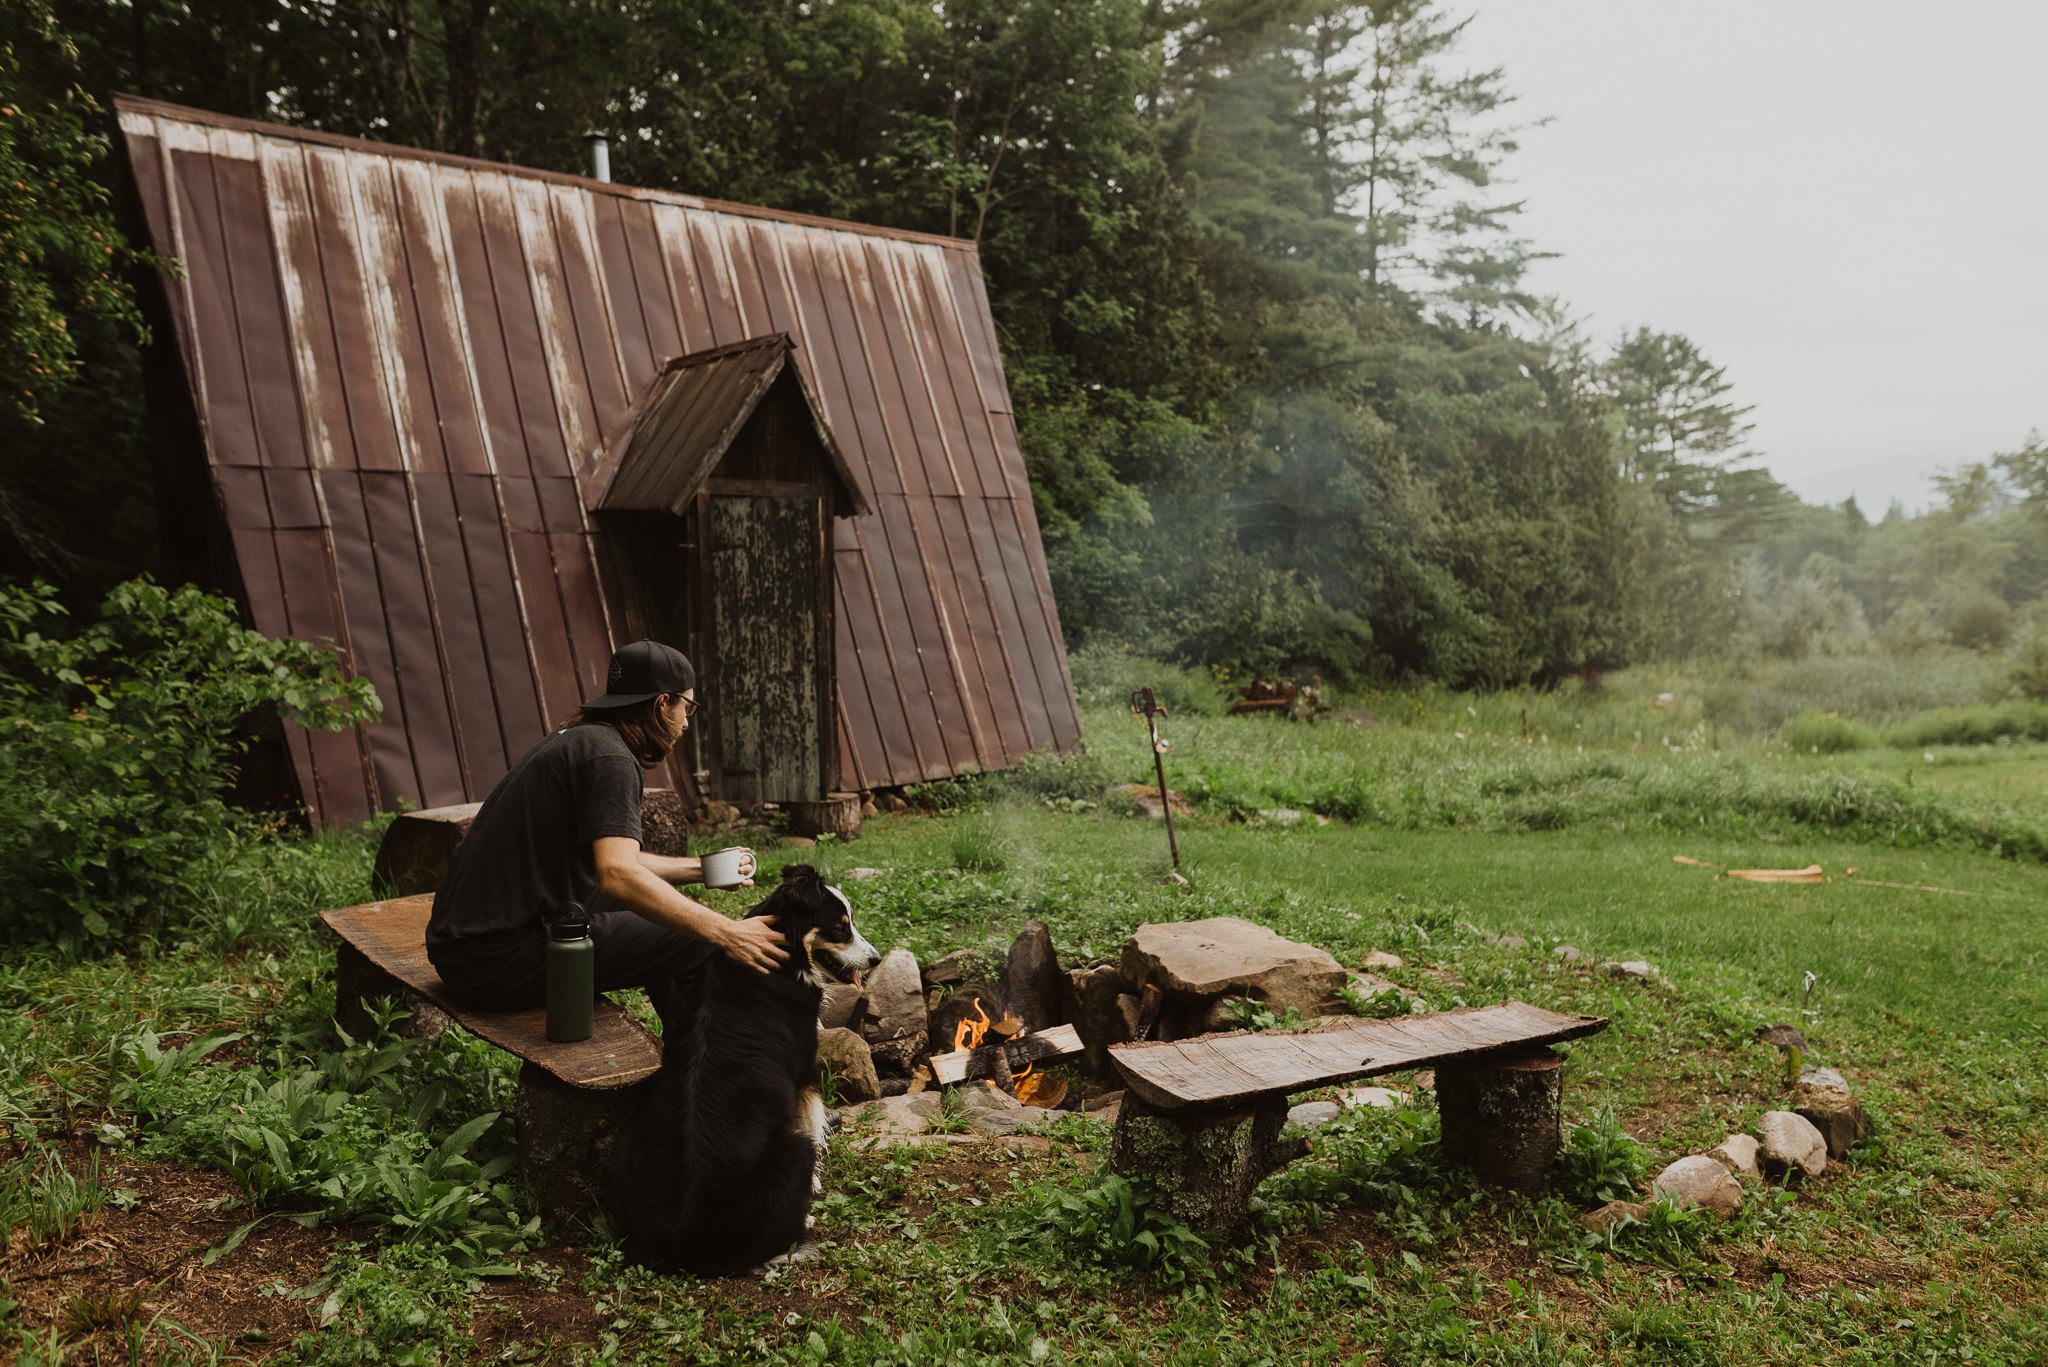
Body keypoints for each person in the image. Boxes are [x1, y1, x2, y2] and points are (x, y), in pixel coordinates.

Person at [426, 639, 787, 1009]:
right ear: (663, 704)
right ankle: (700, 1061)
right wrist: (726, 932)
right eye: (687, 707)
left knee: (669, 916)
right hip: (495, 962)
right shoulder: (610, 759)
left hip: (465, 948)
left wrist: (701, 870)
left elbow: (611, 859)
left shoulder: (584, 742)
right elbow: (617, 873)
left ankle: (692, 1049)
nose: (686, 723)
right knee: (696, 937)